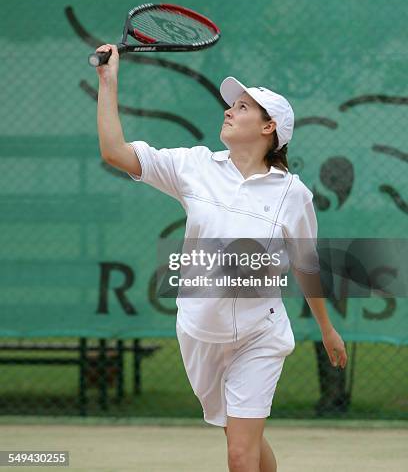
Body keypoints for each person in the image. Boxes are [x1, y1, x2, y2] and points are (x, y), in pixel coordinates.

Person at [96, 44, 347, 472]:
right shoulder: (193, 166)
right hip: (199, 331)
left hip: (259, 334)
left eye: (243, 106)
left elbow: (306, 265)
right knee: (242, 438)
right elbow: (115, 152)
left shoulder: (293, 194)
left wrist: (327, 329)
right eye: (232, 104)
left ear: (269, 127)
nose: (230, 109)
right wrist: (108, 82)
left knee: (238, 454)